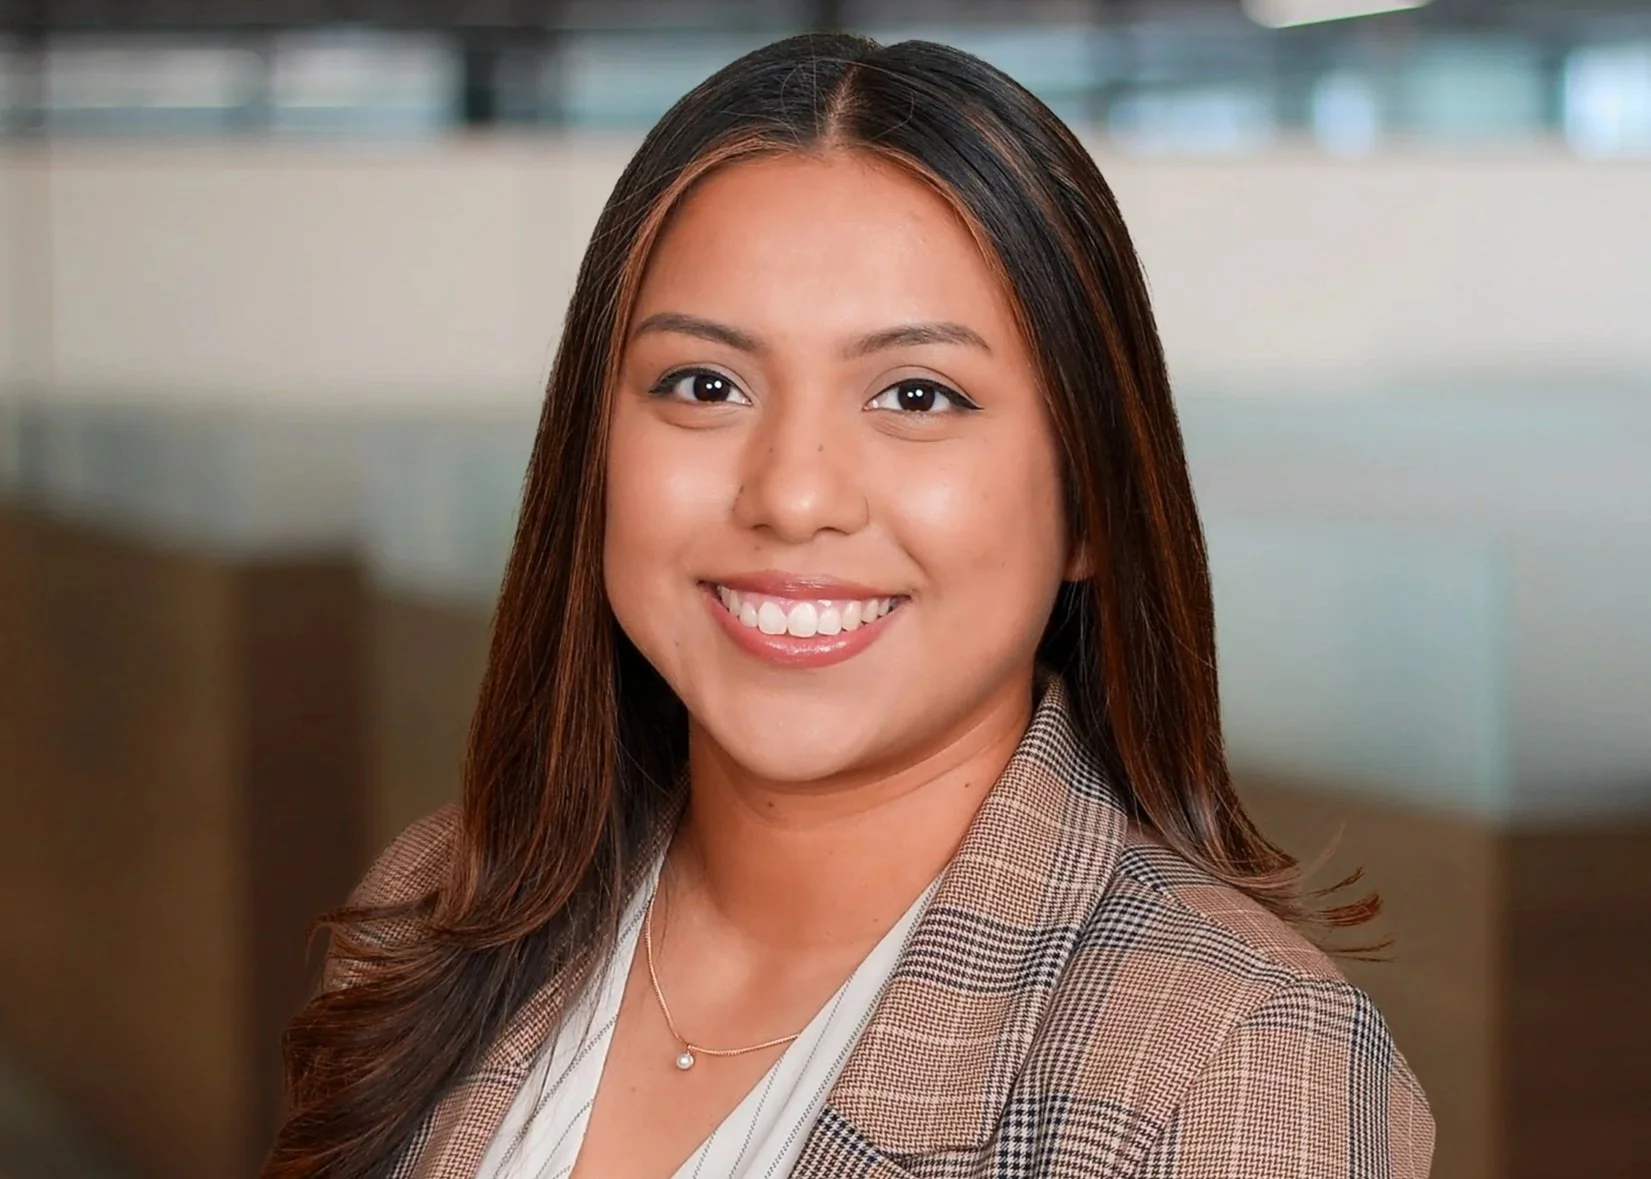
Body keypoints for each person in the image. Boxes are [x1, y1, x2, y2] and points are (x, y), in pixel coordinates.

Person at [264, 32, 1433, 1179]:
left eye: (916, 395)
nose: (793, 494)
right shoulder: (437, 906)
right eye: (705, 384)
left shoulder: (1234, 1059)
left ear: (1090, 503)